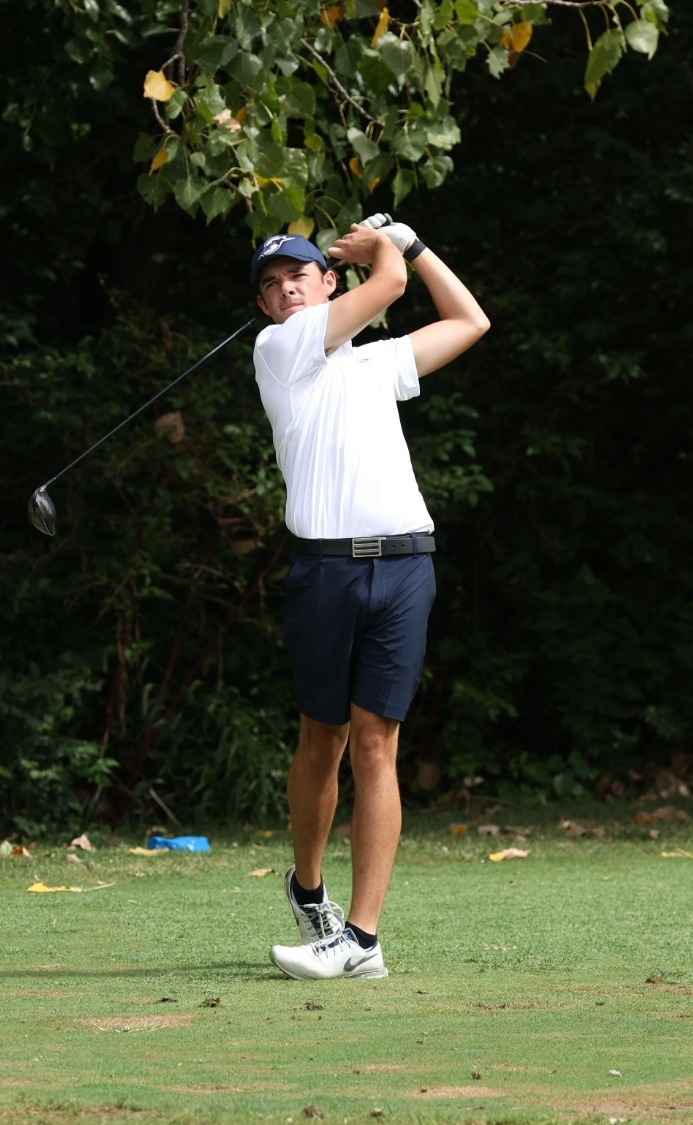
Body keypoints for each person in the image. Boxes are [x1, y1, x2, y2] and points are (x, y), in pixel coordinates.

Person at [248, 218, 490, 979]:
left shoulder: (377, 363)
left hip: (405, 564)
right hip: (326, 571)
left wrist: (415, 243)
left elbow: (470, 319)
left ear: (328, 284)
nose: (286, 287)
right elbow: (388, 287)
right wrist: (385, 252)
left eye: (301, 274)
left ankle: (361, 940)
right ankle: (309, 886)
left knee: (377, 741)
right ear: (265, 306)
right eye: (270, 283)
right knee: (324, 740)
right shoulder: (279, 349)